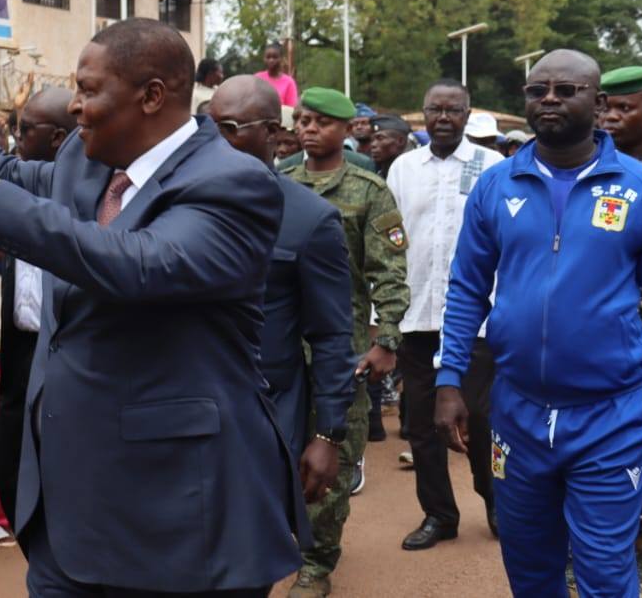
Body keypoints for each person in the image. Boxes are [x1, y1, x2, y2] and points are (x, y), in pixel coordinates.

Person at [0, 0, 306, 596]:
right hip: (72, 507)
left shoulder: (234, 183)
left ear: (152, 96)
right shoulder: (87, 157)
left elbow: (133, 264)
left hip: (178, 512)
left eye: (88, 89)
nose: (75, 107)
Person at [436, 50, 642, 597]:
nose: (549, 99)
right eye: (537, 90)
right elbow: (466, 287)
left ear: (598, 103)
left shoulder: (640, 188)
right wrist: (449, 378)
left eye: (566, 89)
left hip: (610, 417)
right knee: (530, 566)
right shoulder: (495, 185)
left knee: (606, 573)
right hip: (517, 414)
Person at [284, 86, 409, 598]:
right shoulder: (279, 181)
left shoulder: (368, 189)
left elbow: (390, 271)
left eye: (321, 121)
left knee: (331, 458)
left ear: (345, 129)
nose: (309, 129)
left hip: (345, 348)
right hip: (281, 345)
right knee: (280, 451)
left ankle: (316, 563)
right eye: (303, 120)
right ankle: (283, 540)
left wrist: (388, 340)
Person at [209, 76, 355, 511]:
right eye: (208, 126)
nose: (214, 140)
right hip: (185, 413)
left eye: (229, 128)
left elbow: (331, 335)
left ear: (272, 133)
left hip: (265, 413)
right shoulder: (174, 206)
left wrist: (328, 434)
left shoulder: (310, 220)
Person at [385, 79, 502, 552]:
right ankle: (439, 515)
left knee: (479, 416)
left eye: (454, 110)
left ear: (468, 114)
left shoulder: (491, 166)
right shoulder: (403, 168)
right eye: (436, 109)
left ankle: (496, 502)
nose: (444, 118)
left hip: (476, 320)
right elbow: (391, 239)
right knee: (421, 423)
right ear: (424, 114)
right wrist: (384, 310)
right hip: (416, 317)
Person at [0, 87, 75, 534]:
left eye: (24, 130)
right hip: (21, 357)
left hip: (62, 358)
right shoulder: (17, 187)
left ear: (58, 137)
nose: (16, 139)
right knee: (7, 476)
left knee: (63, 481)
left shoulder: (83, 196)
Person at [599, 64, 642, 590]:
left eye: (625, 108)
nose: (612, 118)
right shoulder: (583, 168)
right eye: (606, 108)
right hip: (605, 372)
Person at [255, 41, 300, 106]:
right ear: (264, 59)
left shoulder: (289, 82)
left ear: (281, 59)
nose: (271, 60)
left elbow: (291, 108)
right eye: (268, 57)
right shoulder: (257, 78)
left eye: (275, 57)